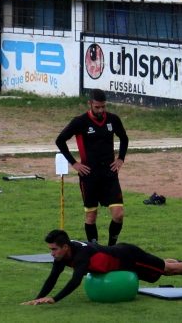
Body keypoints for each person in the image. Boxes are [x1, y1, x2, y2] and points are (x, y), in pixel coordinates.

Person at [21, 229, 182, 305]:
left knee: (167, 270)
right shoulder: (63, 253)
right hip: (119, 259)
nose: (52, 253)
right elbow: (52, 277)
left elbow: (75, 281)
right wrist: (38, 298)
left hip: (127, 257)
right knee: (158, 272)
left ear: (64, 247)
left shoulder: (81, 256)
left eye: (54, 249)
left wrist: (54, 299)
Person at [55, 89, 128, 246]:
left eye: (103, 107)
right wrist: (74, 163)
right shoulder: (79, 122)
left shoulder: (113, 119)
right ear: (90, 104)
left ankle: (111, 247)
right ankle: (93, 248)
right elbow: (60, 140)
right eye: (97, 107)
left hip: (109, 174)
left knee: (118, 215)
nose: (101, 110)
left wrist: (121, 159)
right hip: (89, 175)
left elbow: (124, 138)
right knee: (91, 216)